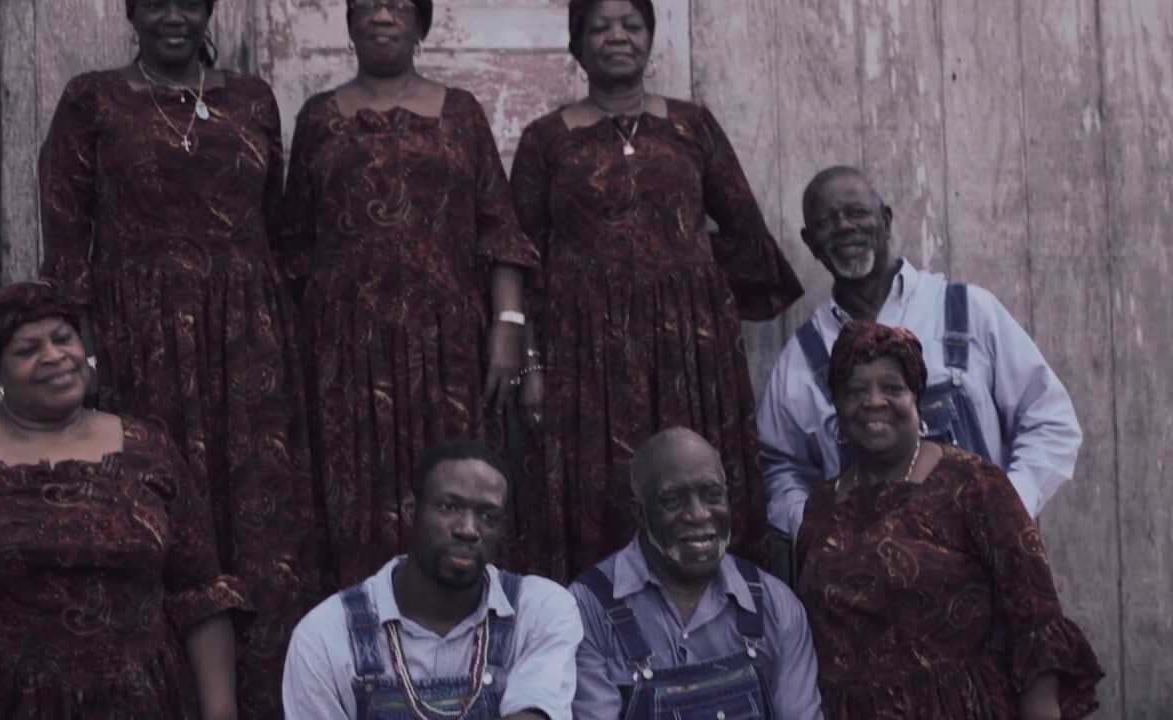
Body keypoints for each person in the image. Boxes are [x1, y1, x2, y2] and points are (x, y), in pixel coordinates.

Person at [38, 2, 317, 716]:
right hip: (140, 340)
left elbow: (279, 231)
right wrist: (86, 356)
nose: (173, 16)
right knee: (153, 515)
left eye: (188, 1)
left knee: (259, 524)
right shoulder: (91, 99)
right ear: (131, 13)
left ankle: (259, 700)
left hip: (249, 342)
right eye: (155, 2)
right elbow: (67, 246)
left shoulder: (252, 99)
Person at [507, 0, 803, 581]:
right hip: (583, 353)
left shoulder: (693, 125)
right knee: (600, 486)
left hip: (686, 351)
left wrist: (690, 282)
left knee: (689, 480)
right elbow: (521, 257)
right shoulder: (545, 139)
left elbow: (743, 225)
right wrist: (533, 363)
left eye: (632, 25)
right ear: (577, 43)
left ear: (650, 39)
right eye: (599, 27)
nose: (616, 36)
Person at [0, 281, 250, 720]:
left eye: (64, 339)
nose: (54, 356)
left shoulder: (149, 448)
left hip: (137, 702)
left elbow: (200, 592)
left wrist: (220, 711)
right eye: (27, 350)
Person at [278, 0, 542, 590]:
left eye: (397, 5)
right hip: (344, 348)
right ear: (349, 23)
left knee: (455, 491)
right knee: (355, 496)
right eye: (366, 5)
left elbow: (498, 230)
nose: (381, 15)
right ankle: (365, 646)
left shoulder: (462, 113)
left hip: (446, 345)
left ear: (422, 24)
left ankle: (466, 642)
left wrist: (508, 326)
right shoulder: (319, 117)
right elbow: (295, 242)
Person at [758, 166, 1082, 545]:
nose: (845, 226)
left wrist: (1008, 506)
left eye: (857, 212)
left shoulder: (967, 311)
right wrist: (822, 530)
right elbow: (778, 468)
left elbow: (1050, 419)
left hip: (987, 566)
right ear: (810, 242)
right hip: (867, 584)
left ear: (886, 219)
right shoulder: (803, 356)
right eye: (827, 221)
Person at [796, 321, 1101, 718]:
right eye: (856, 391)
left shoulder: (974, 484)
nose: (874, 401)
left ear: (916, 399)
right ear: (837, 404)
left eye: (892, 388)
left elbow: (1035, 623)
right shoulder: (820, 505)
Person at [282, 440, 582, 719]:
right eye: (449, 507)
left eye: (488, 516)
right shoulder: (326, 634)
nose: (468, 529)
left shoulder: (539, 610)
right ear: (411, 511)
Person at [571, 428, 823, 720]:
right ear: (639, 513)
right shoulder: (588, 609)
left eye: (712, 495)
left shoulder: (775, 605)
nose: (699, 514)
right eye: (674, 500)